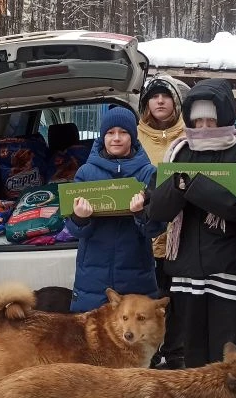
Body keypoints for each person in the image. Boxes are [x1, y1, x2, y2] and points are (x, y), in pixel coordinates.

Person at [146, 78, 236, 398]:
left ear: (225, 117)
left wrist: (193, 185)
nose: (203, 127)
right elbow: (158, 210)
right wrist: (176, 188)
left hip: (233, 264)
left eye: (211, 120)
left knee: (229, 348)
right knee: (193, 347)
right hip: (186, 266)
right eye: (197, 120)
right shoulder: (178, 151)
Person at [65, 106, 165, 312]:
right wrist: (80, 218)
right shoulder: (85, 173)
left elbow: (156, 228)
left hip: (136, 275)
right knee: (93, 331)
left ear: (133, 137)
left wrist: (141, 213)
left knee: (135, 330)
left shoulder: (148, 173)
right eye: (110, 132)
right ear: (103, 137)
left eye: (123, 132)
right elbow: (74, 230)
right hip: (93, 277)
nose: (116, 138)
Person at [138, 76, 189, 369]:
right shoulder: (134, 136)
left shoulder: (189, 134)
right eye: (154, 96)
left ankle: (176, 348)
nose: (160, 101)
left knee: (179, 296)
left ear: (175, 102)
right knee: (153, 297)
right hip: (148, 232)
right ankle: (153, 348)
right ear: (146, 104)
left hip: (182, 232)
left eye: (166, 96)